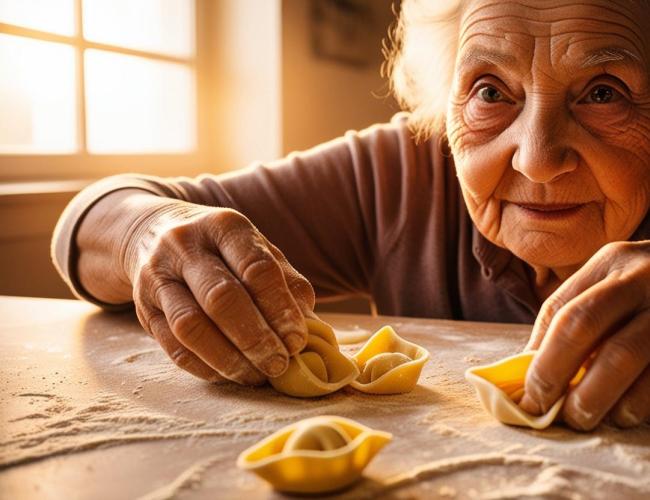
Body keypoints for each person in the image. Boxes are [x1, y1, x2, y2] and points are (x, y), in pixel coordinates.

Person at [52, 0, 650, 431]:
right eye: (491, 91)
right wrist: (146, 235)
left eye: (604, 92)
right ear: (445, 101)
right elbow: (92, 218)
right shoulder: (403, 170)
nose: (538, 159)